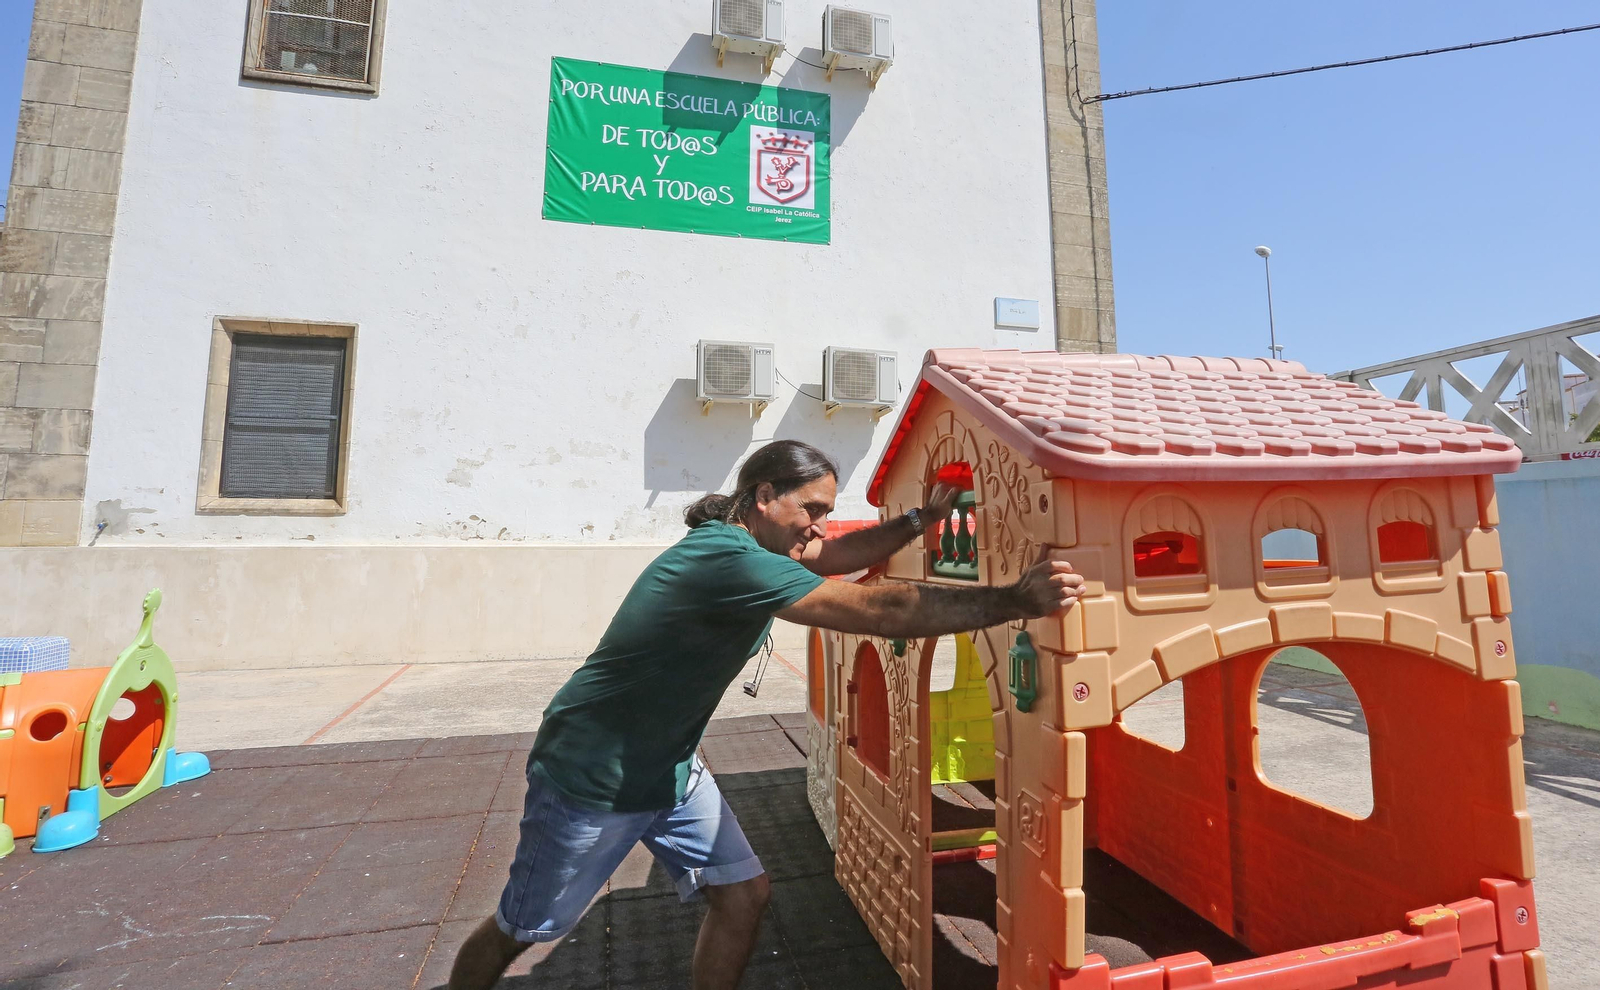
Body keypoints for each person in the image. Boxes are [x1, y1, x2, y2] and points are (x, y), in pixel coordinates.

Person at [447, 440, 1086, 990]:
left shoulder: (759, 548)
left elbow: (839, 556)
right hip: (594, 773)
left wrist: (923, 518)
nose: (818, 527)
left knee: (743, 895)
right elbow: (879, 611)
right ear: (763, 497)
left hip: (668, 768)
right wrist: (1013, 600)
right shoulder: (724, 558)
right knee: (522, 928)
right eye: (811, 510)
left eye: (826, 513)